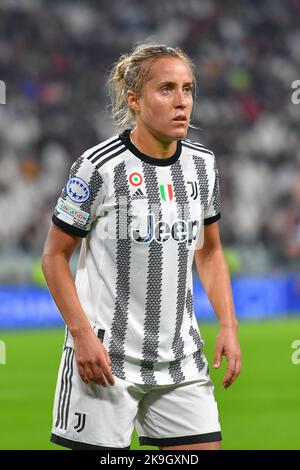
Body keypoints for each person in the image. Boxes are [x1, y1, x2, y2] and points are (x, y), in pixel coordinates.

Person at [42, 43, 241, 451]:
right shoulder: (98, 167)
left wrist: (228, 324)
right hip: (105, 359)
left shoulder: (203, 165)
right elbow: (54, 256)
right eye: (166, 89)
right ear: (134, 99)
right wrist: (81, 335)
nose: (182, 101)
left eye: (188, 89)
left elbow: (210, 250)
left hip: (181, 359)